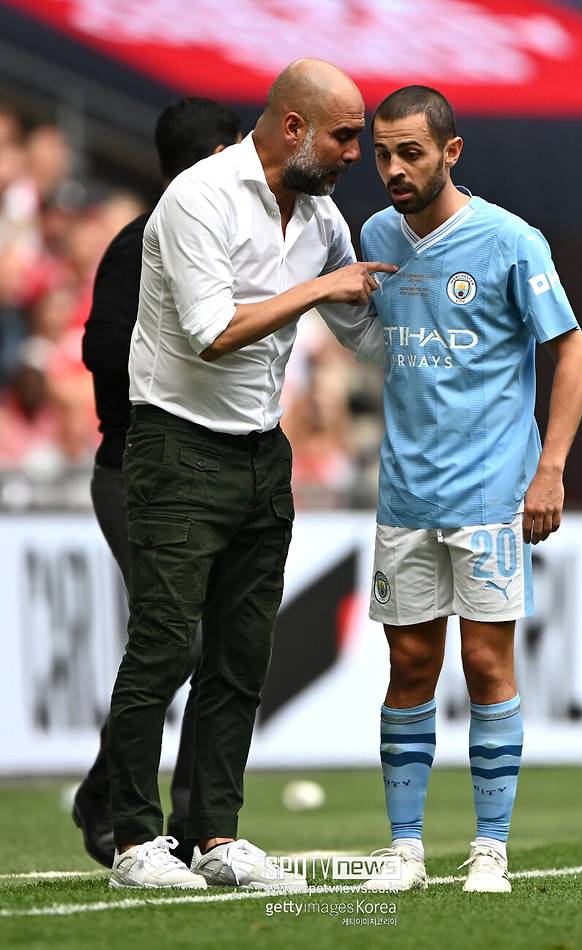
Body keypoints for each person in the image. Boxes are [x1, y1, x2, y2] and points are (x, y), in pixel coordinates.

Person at [105, 58, 396, 891]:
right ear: (293, 127)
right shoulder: (198, 197)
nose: (355, 155)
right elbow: (211, 333)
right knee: (163, 649)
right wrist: (321, 287)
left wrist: (436, 331)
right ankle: (134, 842)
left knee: (240, 657)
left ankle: (216, 838)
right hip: (178, 445)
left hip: (263, 453)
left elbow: (361, 331)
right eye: (345, 137)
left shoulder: (320, 215)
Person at [359, 86, 582, 893]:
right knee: (408, 664)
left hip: (492, 493)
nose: (394, 168)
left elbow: (574, 353)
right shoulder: (376, 235)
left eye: (411, 152)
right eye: (382, 154)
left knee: (487, 662)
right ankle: (405, 851)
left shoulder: (510, 240)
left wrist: (549, 467)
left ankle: (490, 849)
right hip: (405, 493)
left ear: (451, 152)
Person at [76, 98, 242, 869]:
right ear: (216, 157)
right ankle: (108, 801)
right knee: (178, 642)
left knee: (216, 646)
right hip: (136, 472)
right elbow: (101, 346)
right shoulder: (142, 240)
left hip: (208, 472)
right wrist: (187, 356)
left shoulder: (222, 241)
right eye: (237, 151)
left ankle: (195, 825)